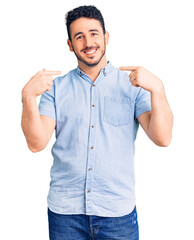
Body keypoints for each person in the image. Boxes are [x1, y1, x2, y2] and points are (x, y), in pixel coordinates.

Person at [21, 5, 173, 240]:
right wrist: (28, 97)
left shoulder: (133, 85)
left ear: (106, 37)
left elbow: (162, 138)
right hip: (65, 215)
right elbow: (36, 143)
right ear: (70, 45)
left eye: (94, 33)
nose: (88, 42)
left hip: (117, 213)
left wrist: (158, 89)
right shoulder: (56, 88)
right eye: (79, 36)